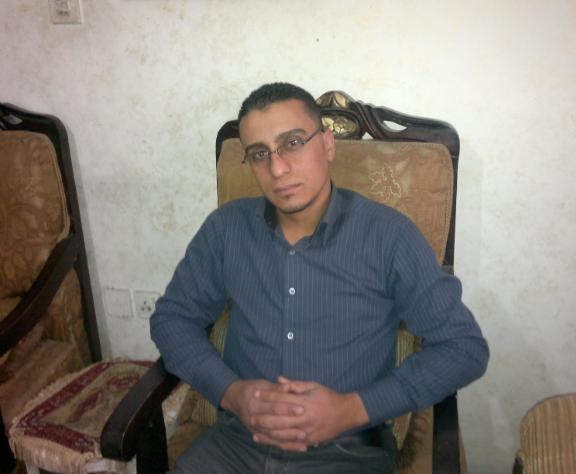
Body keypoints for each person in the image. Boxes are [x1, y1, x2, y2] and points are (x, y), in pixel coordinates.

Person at [150, 82, 489, 474]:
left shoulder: (389, 237)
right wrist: (230, 393)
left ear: (327, 144)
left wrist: (352, 409)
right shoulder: (226, 230)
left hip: (346, 451)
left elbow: (463, 348)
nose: (277, 169)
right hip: (235, 444)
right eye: (259, 154)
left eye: (293, 143)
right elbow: (172, 319)